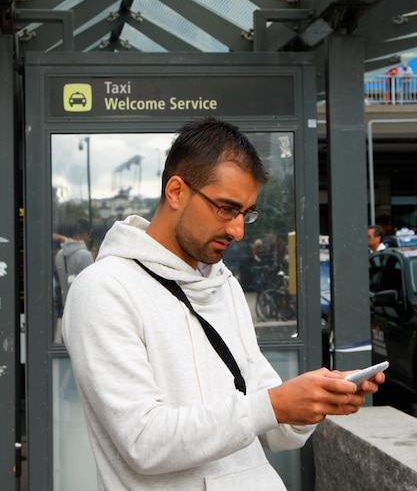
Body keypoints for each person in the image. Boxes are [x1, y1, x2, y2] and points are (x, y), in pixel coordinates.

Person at [62, 118, 384, 491]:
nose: (238, 230)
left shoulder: (223, 283)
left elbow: (278, 434)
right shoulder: (104, 289)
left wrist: (315, 400)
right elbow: (143, 442)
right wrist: (273, 405)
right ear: (177, 191)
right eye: (226, 208)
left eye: (246, 213)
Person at [55, 218, 93, 306]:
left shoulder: (60, 255)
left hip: (66, 306)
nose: (88, 239)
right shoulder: (85, 255)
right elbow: (92, 283)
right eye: (89, 235)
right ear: (85, 234)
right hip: (83, 305)